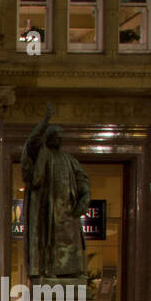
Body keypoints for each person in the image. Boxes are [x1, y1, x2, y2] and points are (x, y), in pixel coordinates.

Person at [21, 104, 91, 280]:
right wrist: (44, 122)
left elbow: (82, 179)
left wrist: (84, 197)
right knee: (48, 240)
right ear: (48, 138)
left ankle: (71, 270)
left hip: (68, 209)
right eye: (55, 136)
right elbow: (31, 141)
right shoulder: (42, 154)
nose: (59, 140)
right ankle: (47, 270)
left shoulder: (69, 159)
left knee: (71, 242)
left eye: (61, 137)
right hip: (48, 208)